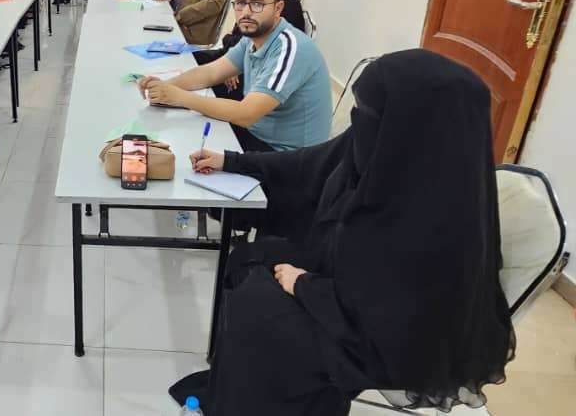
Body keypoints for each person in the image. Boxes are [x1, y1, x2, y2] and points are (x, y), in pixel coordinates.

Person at [169, 49, 514, 415]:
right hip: (348, 283)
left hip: (389, 335)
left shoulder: (442, 212)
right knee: (248, 259)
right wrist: (232, 160)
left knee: (259, 308)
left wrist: (304, 285)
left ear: (414, 122)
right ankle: (235, 388)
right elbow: (307, 164)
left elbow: (396, 308)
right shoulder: (386, 142)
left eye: (369, 111)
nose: (359, 119)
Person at [140, 0, 331, 153]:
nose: (246, 12)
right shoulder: (252, 37)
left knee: (190, 141)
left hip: (286, 156)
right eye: (240, 3)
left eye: (257, 4)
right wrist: (165, 86)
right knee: (188, 128)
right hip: (259, 134)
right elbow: (211, 73)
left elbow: (246, 114)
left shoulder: (291, 48)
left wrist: (178, 97)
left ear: (278, 8)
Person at [196, 0, 307, 100]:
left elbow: (260, 48)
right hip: (236, 55)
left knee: (202, 83)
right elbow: (239, 35)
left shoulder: (285, 5)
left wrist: (235, 66)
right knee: (193, 59)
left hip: (257, 72)